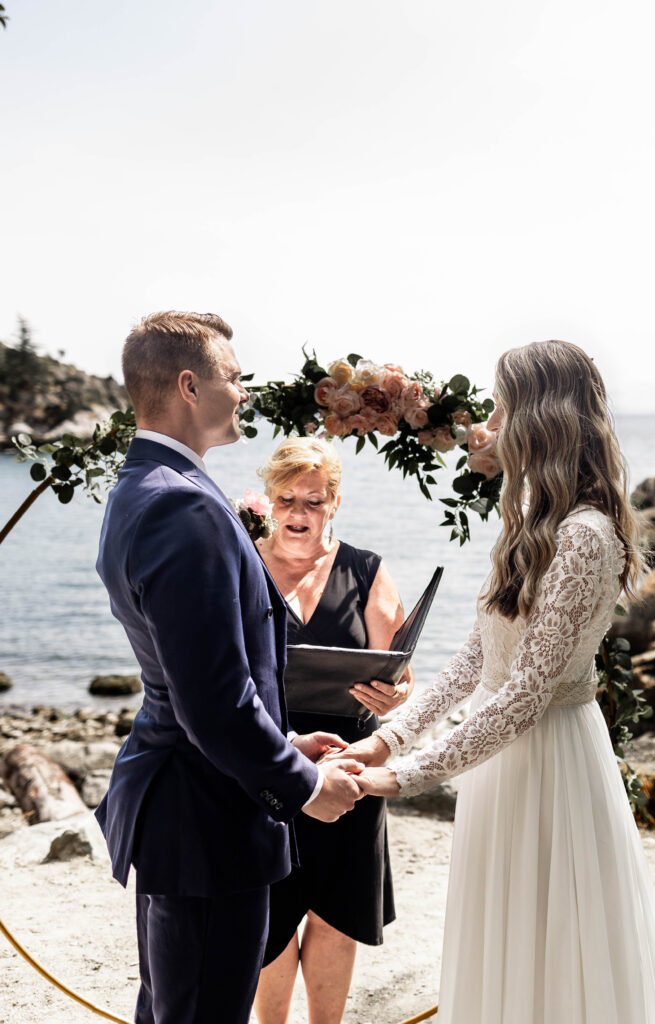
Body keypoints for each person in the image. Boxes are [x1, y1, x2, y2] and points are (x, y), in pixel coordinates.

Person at [340, 340, 655, 1023]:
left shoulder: (585, 535)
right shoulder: (531, 519)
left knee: (555, 953)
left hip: (551, 764)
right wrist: (390, 738)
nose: (489, 425)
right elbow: (478, 658)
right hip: (499, 763)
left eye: (501, 406)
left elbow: (525, 693)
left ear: (540, 416)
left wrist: (404, 778)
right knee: (503, 948)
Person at [94, 311, 365, 1024]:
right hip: (205, 822)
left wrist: (282, 736)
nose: (244, 392)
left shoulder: (148, 485)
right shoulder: (181, 506)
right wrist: (305, 783)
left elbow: (206, 671)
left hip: (188, 808)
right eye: (234, 377)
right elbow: (212, 701)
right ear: (189, 385)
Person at [252, 436, 414, 1024]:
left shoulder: (367, 570)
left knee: (335, 914)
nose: (298, 513)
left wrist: (394, 692)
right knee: (267, 915)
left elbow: (401, 676)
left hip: (349, 760)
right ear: (270, 499)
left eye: (314, 502)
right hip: (267, 759)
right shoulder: (240, 563)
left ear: (335, 503)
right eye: (287, 498)